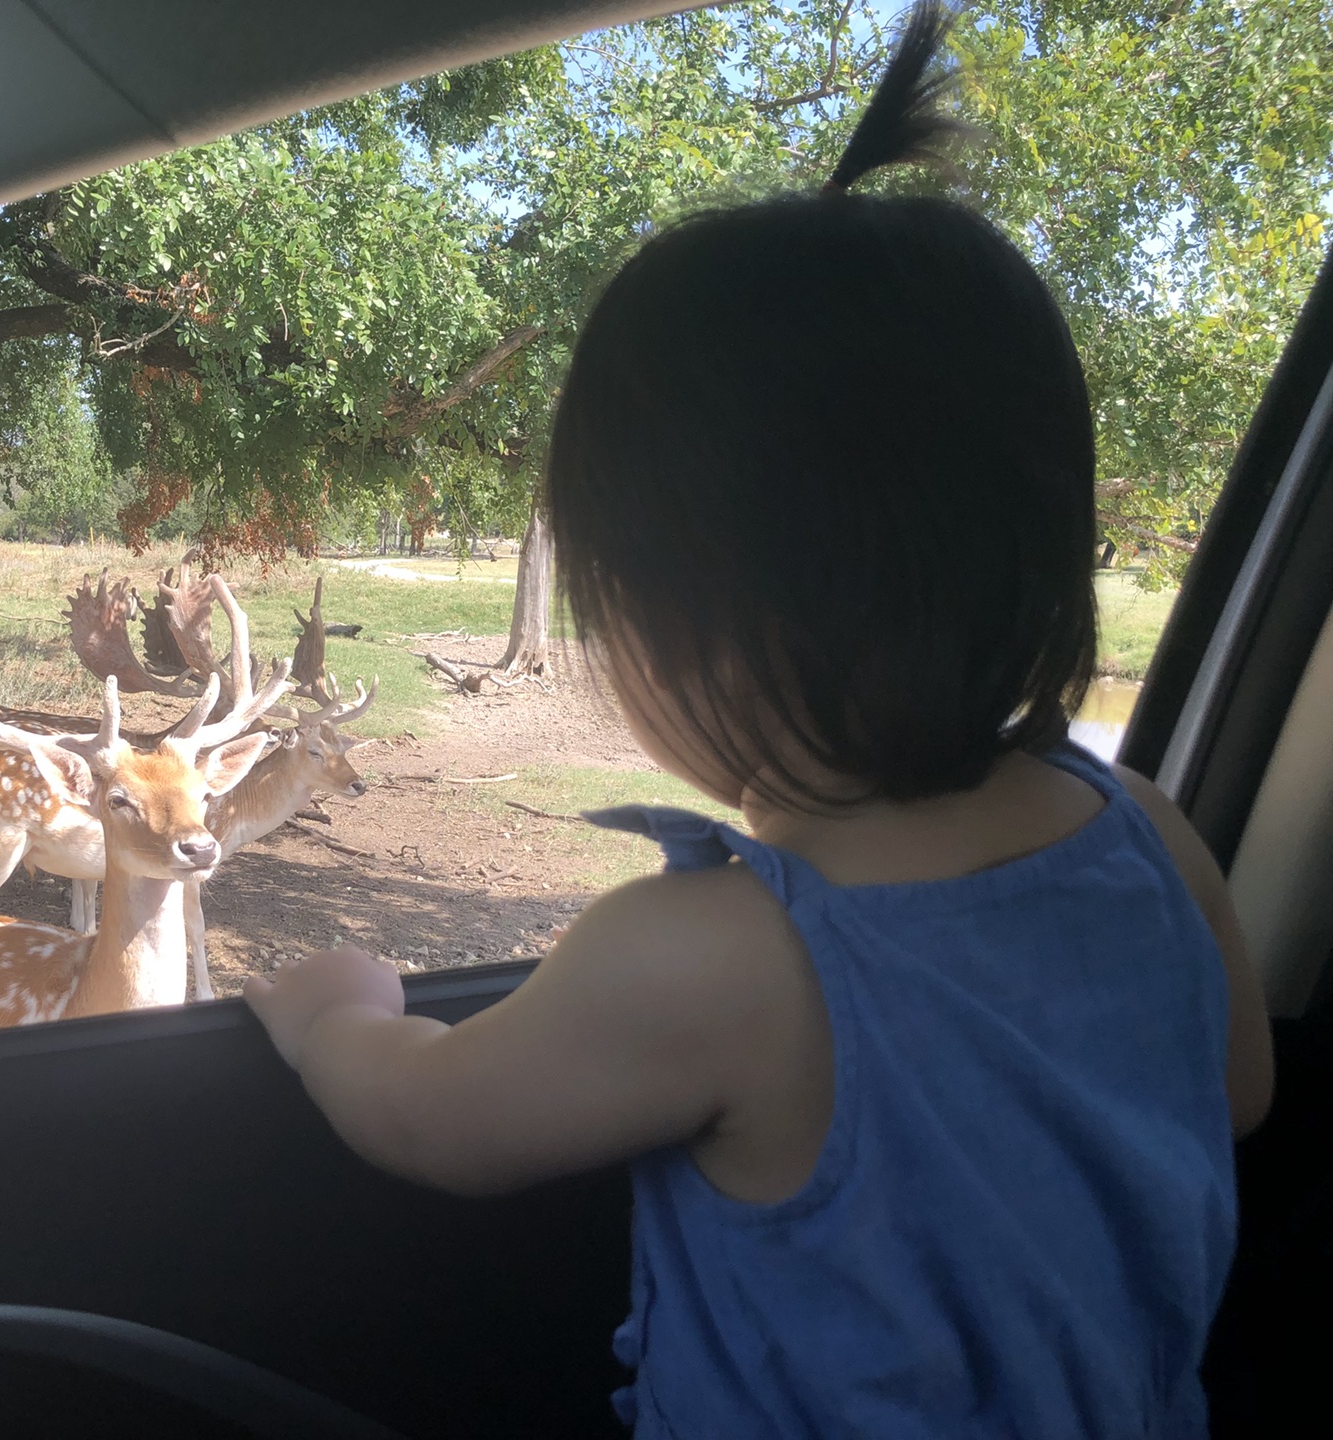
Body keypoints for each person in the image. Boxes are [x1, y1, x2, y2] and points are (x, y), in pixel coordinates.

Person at [243, 3, 1274, 1434]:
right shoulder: (1149, 833)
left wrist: (333, 1017)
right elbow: (1232, 1093)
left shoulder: (719, 956)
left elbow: (431, 1121)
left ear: (686, 621)